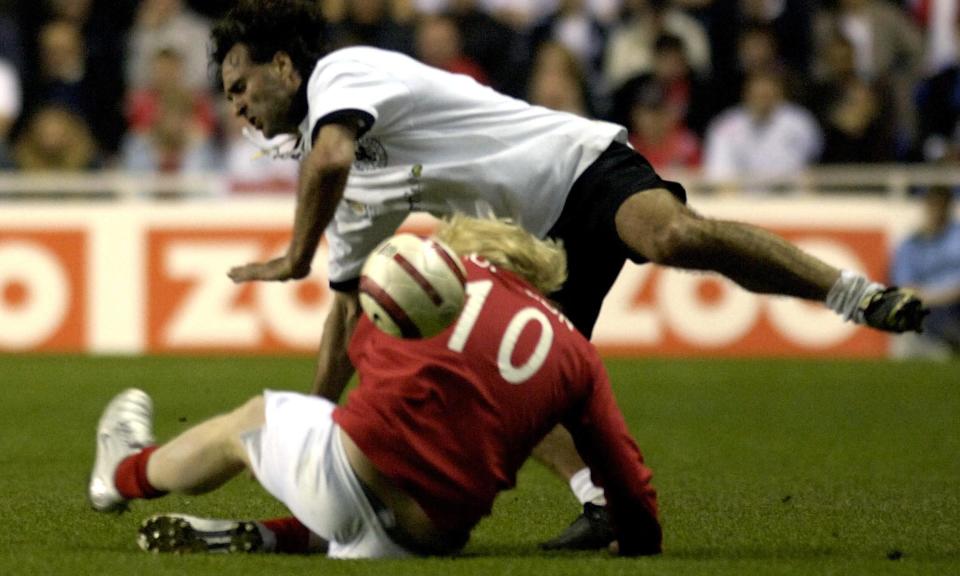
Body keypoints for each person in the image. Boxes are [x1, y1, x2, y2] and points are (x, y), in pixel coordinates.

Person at [210, 0, 927, 550]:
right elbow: (344, 319)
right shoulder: (354, 188)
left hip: (575, 166)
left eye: (241, 84)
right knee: (509, 381)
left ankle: (855, 294)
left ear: (284, 67)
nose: (236, 105)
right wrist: (320, 430)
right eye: (228, 96)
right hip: (533, 249)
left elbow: (329, 159)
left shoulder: (343, 74)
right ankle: (601, 503)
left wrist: (295, 256)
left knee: (672, 235)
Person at [88, 216, 662, 558]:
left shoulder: (449, 278)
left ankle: (122, 472)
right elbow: (625, 475)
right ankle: (269, 537)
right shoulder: (578, 356)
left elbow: (363, 350)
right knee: (379, 499)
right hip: (433, 534)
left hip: (348, 475)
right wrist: (639, 538)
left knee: (250, 423)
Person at [891, 187, 960, 357]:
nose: (936, 211)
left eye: (940, 206)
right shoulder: (911, 243)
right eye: (932, 206)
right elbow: (904, 285)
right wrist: (930, 298)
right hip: (927, 308)